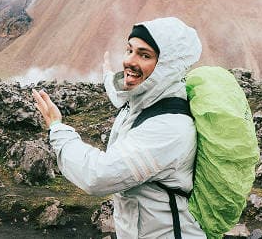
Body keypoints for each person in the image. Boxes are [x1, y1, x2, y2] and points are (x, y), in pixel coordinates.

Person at [32, 17, 205, 238]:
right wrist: (108, 77)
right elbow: (122, 97)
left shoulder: (169, 128)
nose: (129, 61)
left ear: (167, 67)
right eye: (129, 50)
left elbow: (99, 175)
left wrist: (58, 128)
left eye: (144, 55)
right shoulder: (144, 102)